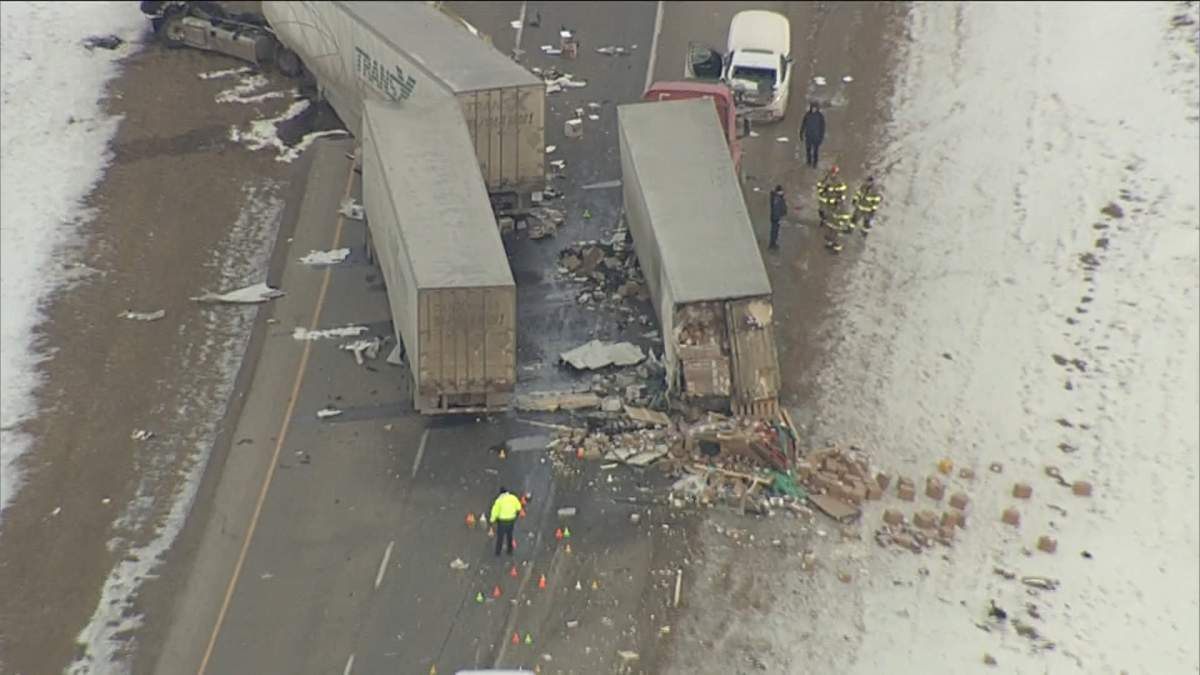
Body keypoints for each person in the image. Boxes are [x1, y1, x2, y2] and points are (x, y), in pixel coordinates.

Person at [490, 487, 523, 556]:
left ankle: (498, 552)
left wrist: (492, 520)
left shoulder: (499, 500)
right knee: (509, 535)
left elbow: (495, 511)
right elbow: (518, 507)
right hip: (511, 520)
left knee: (500, 537)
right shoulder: (513, 498)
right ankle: (509, 550)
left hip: (502, 521)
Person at [800, 102, 826, 168]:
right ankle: (809, 161)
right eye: (812, 108)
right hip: (808, 136)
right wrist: (801, 133)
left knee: (815, 151)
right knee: (808, 150)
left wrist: (821, 137)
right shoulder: (807, 115)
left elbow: (822, 128)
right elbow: (803, 125)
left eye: (815, 108)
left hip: (816, 137)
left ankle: (815, 163)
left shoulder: (820, 116)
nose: (813, 109)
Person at [768, 185, 787, 250]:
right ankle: (772, 244)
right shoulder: (777, 199)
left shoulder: (778, 197)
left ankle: (773, 243)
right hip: (775, 218)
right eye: (781, 191)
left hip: (776, 217)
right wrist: (778, 217)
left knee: (775, 231)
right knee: (774, 231)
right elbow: (776, 209)